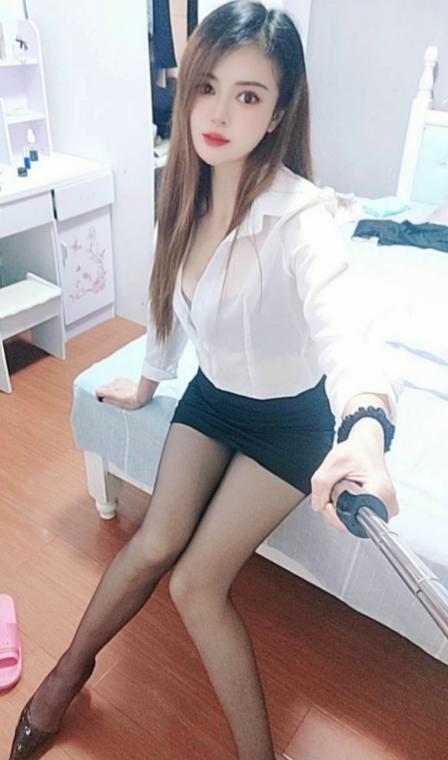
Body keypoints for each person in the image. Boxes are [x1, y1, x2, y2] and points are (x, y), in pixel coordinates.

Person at [9, 2, 401, 759]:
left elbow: (348, 327)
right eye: (207, 87)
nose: (218, 114)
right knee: (152, 541)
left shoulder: (303, 220)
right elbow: (172, 309)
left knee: (195, 585)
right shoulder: (183, 196)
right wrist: (148, 380)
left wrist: (365, 426)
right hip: (213, 398)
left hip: (290, 422)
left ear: (278, 111)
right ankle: (65, 676)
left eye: (248, 95)